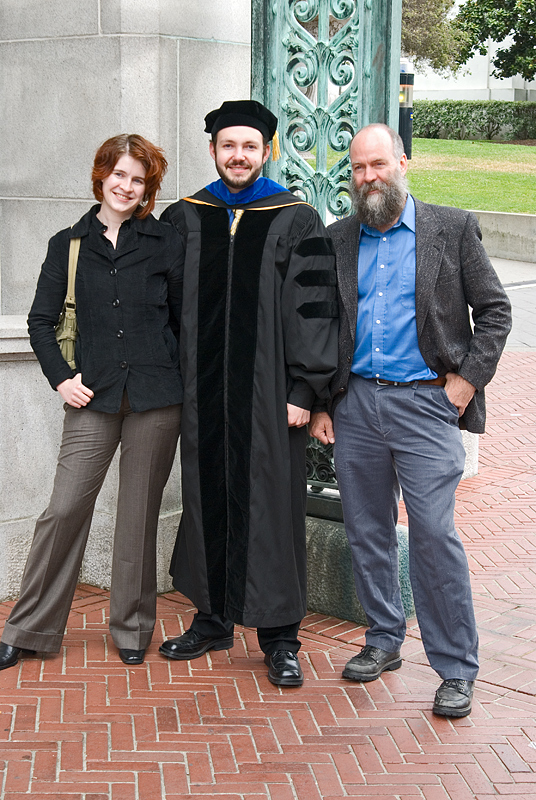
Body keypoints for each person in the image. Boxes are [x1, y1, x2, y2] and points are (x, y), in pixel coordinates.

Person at [310, 123, 511, 716]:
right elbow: (321, 329)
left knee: (432, 535)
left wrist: (464, 385)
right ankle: (383, 639)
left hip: (428, 404)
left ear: (403, 161)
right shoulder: (339, 237)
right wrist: (325, 401)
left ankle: (455, 667)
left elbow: (495, 311)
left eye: (378, 164)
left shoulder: (451, 228)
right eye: (357, 169)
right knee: (367, 530)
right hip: (357, 407)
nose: (368, 177)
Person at [159, 100, 338, 686]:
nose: (239, 155)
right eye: (228, 145)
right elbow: (160, 308)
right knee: (206, 497)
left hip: (270, 399)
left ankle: (281, 637)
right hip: (203, 396)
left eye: (250, 146)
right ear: (213, 150)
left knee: (273, 510)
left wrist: (306, 389)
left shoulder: (296, 218)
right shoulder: (186, 216)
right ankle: (211, 620)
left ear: (268, 151)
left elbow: (315, 312)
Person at [0, 134, 183, 670]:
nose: (127, 187)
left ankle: (132, 627)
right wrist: (61, 378)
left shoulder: (165, 242)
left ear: (148, 187)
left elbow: (184, 322)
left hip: (157, 397)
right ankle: (28, 626)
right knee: (62, 510)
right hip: (91, 397)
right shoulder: (68, 243)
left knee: (136, 516)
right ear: (101, 176)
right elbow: (40, 321)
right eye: (119, 175)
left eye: (138, 179)